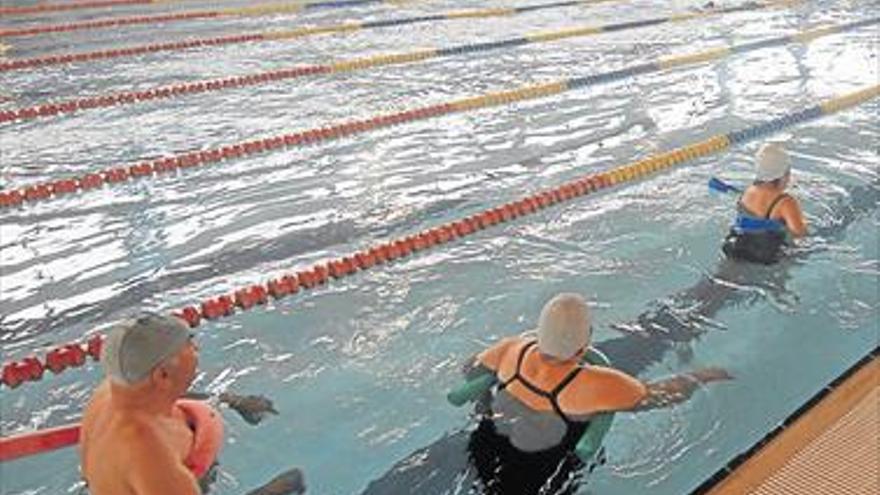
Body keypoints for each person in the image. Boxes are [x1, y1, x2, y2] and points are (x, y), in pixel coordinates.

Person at [465, 293, 730, 484]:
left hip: (485, 442)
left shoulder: (511, 349)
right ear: (584, 346)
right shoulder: (599, 384)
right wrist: (703, 376)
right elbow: (660, 396)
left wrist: (483, 402)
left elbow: (471, 368)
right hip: (540, 468)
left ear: (538, 332)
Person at [79, 312, 305, 495]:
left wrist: (232, 401)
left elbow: (168, 396)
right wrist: (270, 491)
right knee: (292, 481)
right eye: (190, 347)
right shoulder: (148, 452)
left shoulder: (113, 391)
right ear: (163, 375)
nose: (197, 350)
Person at [722, 142, 807, 264]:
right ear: (784, 175)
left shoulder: (748, 191)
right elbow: (801, 234)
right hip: (764, 255)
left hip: (736, 245)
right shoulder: (785, 202)